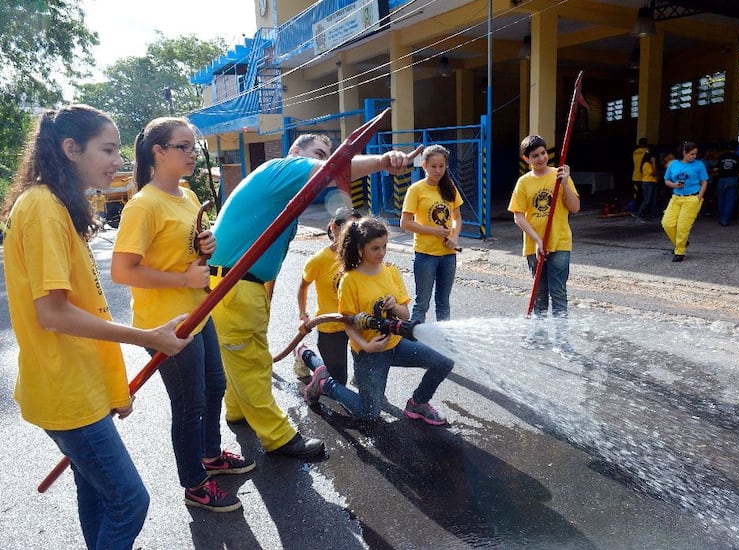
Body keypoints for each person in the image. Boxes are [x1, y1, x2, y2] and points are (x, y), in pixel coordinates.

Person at [2, 105, 192, 549]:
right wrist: (148, 337)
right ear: (71, 149)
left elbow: (80, 305)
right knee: (129, 501)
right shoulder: (44, 209)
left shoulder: (53, 206)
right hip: (65, 391)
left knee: (98, 491)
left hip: (76, 385)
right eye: (107, 149)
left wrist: (110, 388)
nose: (119, 161)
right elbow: (53, 314)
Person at [207, 134, 423, 458]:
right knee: (252, 363)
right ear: (297, 151)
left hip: (238, 286)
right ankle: (279, 438)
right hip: (234, 286)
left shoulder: (282, 199)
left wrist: (265, 296)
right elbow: (331, 169)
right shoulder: (283, 167)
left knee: (246, 358)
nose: (325, 162)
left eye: (327, 155)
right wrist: (382, 162)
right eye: (319, 154)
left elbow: (268, 260)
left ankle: (239, 411)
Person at [111, 117, 255, 513]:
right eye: (183, 147)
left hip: (199, 311)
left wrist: (206, 244)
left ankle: (210, 455)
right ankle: (194, 483)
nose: (192, 154)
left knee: (214, 386)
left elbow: (192, 247)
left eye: (194, 147)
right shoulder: (143, 205)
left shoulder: (188, 196)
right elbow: (122, 271)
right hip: (166, 327)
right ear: (158, 151)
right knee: (189, 405)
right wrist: (182, 276)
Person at [302, 216, 455, 425]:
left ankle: (418, 403)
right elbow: (347, 321)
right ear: (360, 248)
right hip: (369, 354)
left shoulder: (391, 271)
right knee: (369, 414)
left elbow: (405, 315)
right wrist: (366, 345)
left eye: (384, 246)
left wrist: (395, 306)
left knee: (445, 360)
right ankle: (325, 384)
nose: (382, 253)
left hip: (396, 344)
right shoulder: (350, 279)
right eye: (375, 248)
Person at [508, 135, 580, 356]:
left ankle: (562, 341)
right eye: (534, 156)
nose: (540, 158)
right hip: (534, 246)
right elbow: (518, 216)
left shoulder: (559, 175)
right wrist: (537, 240)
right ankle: (538, 335)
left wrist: (565, 183)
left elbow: (575, 207)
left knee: (558, 292)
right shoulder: (524, 182)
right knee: (540, 293)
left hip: (560, 242)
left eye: (543, 153)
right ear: (526, 158)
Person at [293, 205, 362, 384]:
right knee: (337, 381)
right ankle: (303, 353)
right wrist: (302, 314)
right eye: (347, 228)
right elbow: (302, 286)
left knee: (367, 371)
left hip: (357, 321)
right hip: (330, 325)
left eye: (356, 229)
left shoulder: (362, 255)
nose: (352, 234)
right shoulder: (319, 260)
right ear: (334, 227)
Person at [399, 144, 463, 323]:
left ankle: (444, 340)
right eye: (433, 166)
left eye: (441, 166)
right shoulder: (416, 190)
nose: (438, 170)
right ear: (424, 165)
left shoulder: (450, 188)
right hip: (425, 255)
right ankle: (415, 341)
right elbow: (405, 223)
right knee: (422, 302)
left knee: (443, 302)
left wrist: (454, 236)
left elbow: (457, 217)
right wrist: (434, 231)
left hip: (448, 255)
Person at [662, 140, 709, 262]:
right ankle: (680, 243)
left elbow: (704, 182)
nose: (694, 156)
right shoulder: (673, 164)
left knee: (683, 226)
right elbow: (666, 180)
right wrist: (674, 185)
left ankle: (680, 252)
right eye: (692, 154)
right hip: (676, 197)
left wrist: (699, 196)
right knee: (667, 223)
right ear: (684, 152)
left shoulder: (699, 165)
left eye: (695, 154)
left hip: (692, 198)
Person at [714, 140, 739, 226]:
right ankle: (725, 220)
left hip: (722, 179)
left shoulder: (721, 157)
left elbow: (715, 169)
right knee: (730, 200)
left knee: (721, 200)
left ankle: (721, 218)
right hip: (733, 179)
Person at [636, 147, 658, 222]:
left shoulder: (650, 164)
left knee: (653, 201)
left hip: (653, 183)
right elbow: (653, 173)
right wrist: (654, 162)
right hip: (648, 183)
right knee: (647, 200)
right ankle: (639, 216)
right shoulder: (646, 164)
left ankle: (651, 215)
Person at [630, 137, 649, 211]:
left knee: (636, 194)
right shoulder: (646, 151)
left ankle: (635, 209)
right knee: (643, 196)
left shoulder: (635, 152)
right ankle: (641, 210)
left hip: (635, 176)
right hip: (643, 176)